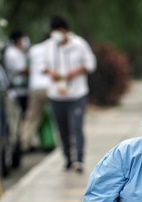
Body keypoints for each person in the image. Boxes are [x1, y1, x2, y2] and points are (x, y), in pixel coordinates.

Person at [40, 15, 96, 172]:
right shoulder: (48, 46)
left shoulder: (79, 44)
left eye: (59, 30)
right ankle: (67, 158)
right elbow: (42, 65)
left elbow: (91, 64)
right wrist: (50, 72)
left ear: (65, 30)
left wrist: (76, 71)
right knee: (62, 128)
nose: (56, 34)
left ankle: (79, 158)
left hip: (77, 94)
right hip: (56, 94)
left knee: (76, 126)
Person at [21, 32, 53, 152]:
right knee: (56, 115)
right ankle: (57, 142)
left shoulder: (34, 49)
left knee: (32, 116)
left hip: (35, 87)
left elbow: (27, 64)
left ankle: (25, 142)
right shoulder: (54, 48)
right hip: (51, 87)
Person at [3, 29, 30, 157]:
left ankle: (19, 146)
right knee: (14, 123)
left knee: (21, 120)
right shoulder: (11, 53)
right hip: (14, 94)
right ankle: (15, 149)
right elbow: (21, 70)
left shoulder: (20, 52)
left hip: (23, 91)